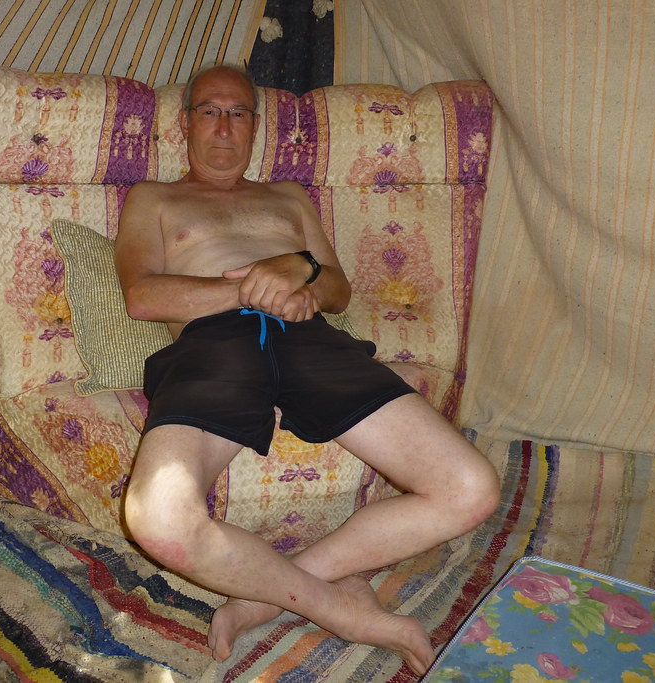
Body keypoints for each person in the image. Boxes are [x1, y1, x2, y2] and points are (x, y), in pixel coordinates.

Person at [114, 64, 500, 675]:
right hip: (212, 345)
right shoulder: (153, 197)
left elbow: (338, 288)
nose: (224, 126)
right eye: (209, 111)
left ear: (254, 126)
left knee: (470, 488)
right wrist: (258, 287)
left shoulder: (289, 197)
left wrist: (306, 279)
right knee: (159, 519)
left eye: (238, 113)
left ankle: (263, 598)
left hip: (311, 339)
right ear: (185, 123)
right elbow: (143, 296)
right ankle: (336, 607)